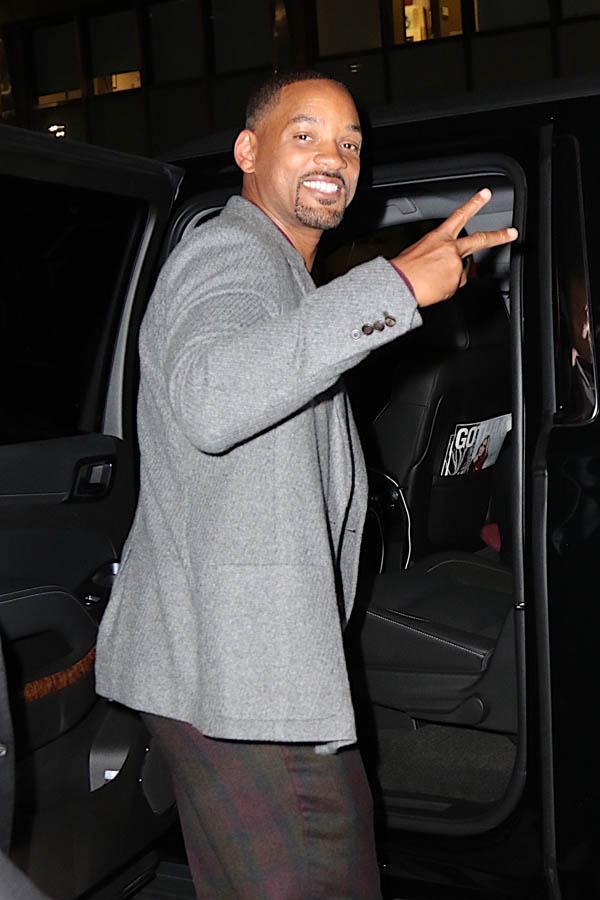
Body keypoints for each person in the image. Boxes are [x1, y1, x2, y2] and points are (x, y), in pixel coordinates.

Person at [95, 71, 517, 899]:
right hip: (240, 686)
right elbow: (214, 398)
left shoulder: (283, 276)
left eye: (350, 142)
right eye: (307, 134)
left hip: (255, 677)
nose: (335, 155)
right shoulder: (227, 252)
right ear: (248, 151)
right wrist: (395, 288)